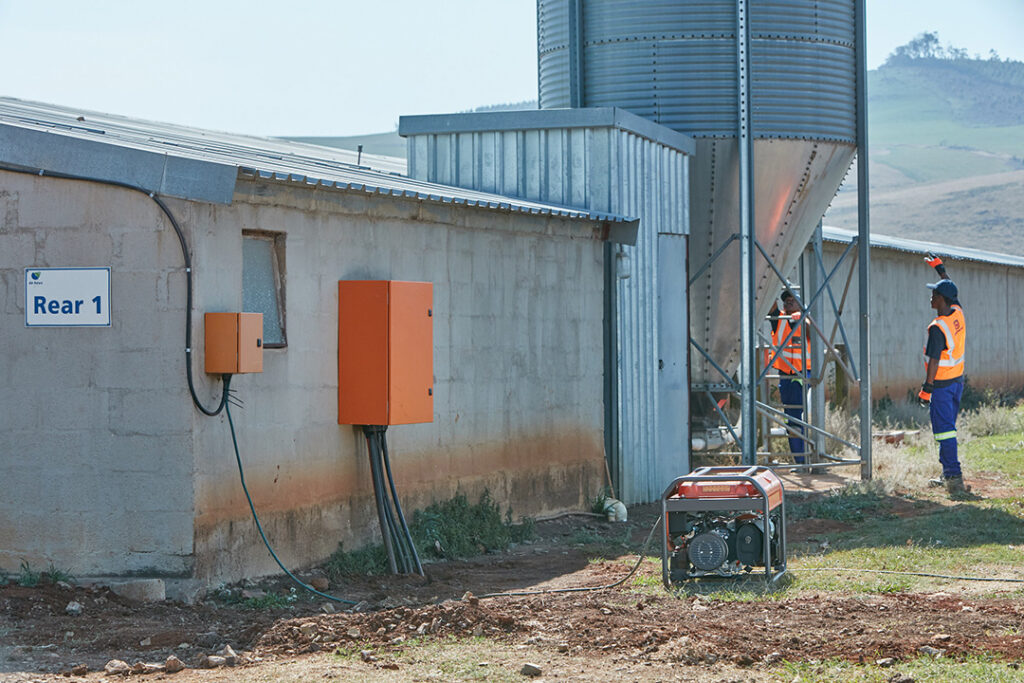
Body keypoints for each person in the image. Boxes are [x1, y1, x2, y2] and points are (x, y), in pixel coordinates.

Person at [918, 254, 969, 496]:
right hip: (957, 382)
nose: (931, 297)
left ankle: (953, 477)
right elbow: (952, 291)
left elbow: (934, 361)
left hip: (941, 386)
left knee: (944, 431)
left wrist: (927, 389)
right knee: (947, 429)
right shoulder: (957, 313)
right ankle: (948, 472)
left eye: (934, 294)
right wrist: (940, 270)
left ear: (941, 300)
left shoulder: (938, 328)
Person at [769, 290, 811, 464]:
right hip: (785, 376)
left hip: (801, 376)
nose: (788, 303)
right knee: (790, 418)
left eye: (793, 301)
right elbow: (769, 303)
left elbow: (810, 330)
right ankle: (799, 460)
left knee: (796, 418)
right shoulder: (779, 320)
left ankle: (803, 460)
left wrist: (801, 316)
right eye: (786, 301)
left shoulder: (805, 320)